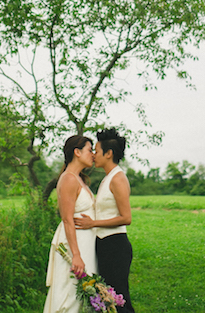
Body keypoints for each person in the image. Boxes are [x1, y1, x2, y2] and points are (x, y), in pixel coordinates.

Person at [76, 128, 135, 313]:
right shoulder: (107, 178)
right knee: (107, 300)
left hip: (116, 245)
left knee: (119, 299)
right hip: (105, 245)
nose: (93, 155)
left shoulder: (118, 178)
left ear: (109, 153)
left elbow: (126, 218)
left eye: (97, 150)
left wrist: (92, 224)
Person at [44, 135, 98, 313]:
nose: (93, 154)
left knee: (80, 295)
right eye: (90, 150)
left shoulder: (79, 178)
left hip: (85, 244)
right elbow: (67, 219)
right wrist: (75, 255)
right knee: (68, 296)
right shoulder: (68, 179)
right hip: (73, 245)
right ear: (77, 152)